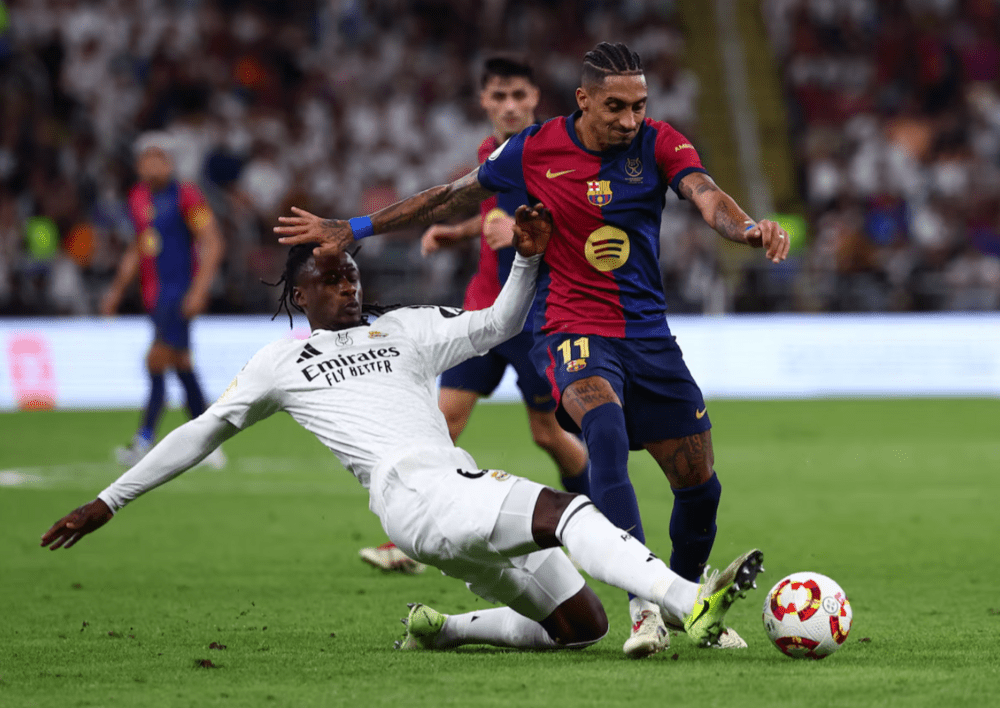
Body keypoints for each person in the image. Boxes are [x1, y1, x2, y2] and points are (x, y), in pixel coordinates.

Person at [42, 205, 764, 654]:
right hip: (414, 493)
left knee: (580, 627)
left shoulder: (405, 332)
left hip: (444, 503)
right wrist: (109, 500)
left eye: (351, 270)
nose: (348, 282)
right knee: (565, 509)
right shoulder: (280, 363)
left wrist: (526, 257)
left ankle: (442, 628)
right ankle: (684, 600)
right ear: (300, 293)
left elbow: (499, 325)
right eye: (330, 275)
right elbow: (199, 433)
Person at [273, 42, 789, 658]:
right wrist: (352, 228)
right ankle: (643, 609)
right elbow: (449, 195)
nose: (629, 120)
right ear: (584, 100)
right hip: (571, 326)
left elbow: (707, 195)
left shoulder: (658, 142)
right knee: (601, 428)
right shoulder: (534, 149)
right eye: (615, 107)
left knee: (700, 489)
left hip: (649, 335)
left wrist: (748, 229)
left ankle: (686, 601)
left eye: (639, 106)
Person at [359, 56, 589, 574]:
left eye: (518, 96)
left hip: (534, 320)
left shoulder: (554, 156)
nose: (509, 106)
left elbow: (575, 228)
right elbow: (493, 217)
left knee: (547, 434)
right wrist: (457, 232)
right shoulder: (490, 152)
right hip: (481, 312)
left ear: (535, 99)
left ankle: (594, 517)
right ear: (484, 101)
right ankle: (412, 541)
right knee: (441, 423)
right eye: (498, 97)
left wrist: (526, 236)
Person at [102, 132, 226, 469]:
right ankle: (210, 444)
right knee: (182, 365)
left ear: (168, 162)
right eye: (144, 159)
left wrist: (199, 290)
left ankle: (144, 440)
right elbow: (138, 246)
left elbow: (212, 242)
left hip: (179, 294)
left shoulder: (187, 196)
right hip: (154, 297)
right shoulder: (138, 198)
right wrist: (116, 289)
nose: (149, 165)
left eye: (156, 158)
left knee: (155, 361)